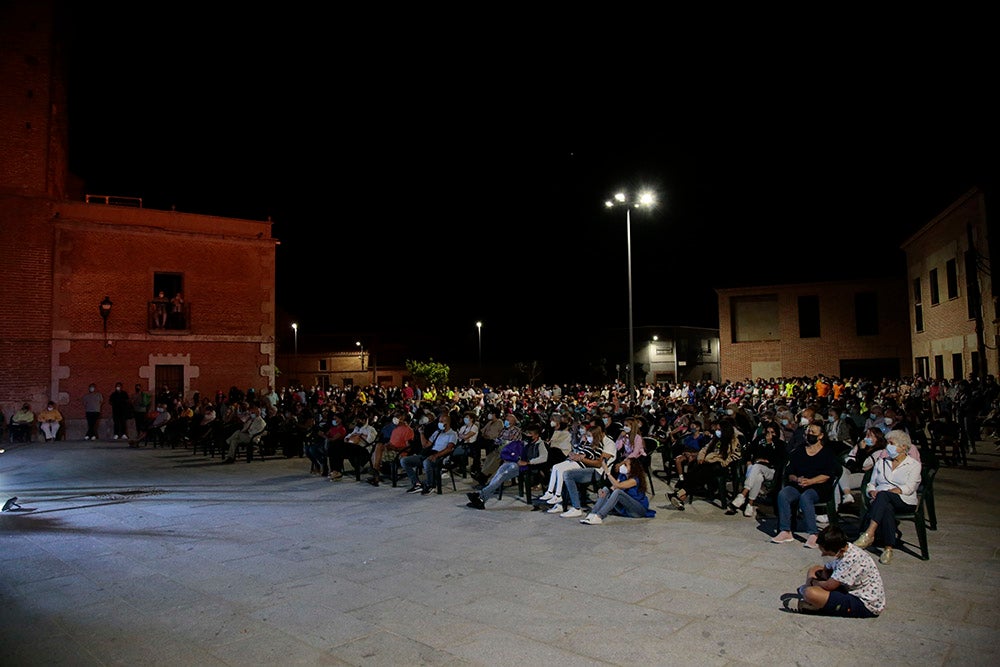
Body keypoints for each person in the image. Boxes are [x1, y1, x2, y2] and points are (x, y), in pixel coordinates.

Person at [853, 429, 922, 565]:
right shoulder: (882, 462)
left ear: (903, 447)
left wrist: (890, 491)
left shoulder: (913, 465)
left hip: (904, 499)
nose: (888, 446)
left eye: (892, 443)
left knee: (884, 496)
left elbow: (909, 488)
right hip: (881, 500)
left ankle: (869, 533)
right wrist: (871, 491)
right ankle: (888, 548)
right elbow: (872, 483)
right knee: (887, 507)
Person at [771, 420, 840, 548]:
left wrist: (811, 481)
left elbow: (827, 474)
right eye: (808, 431)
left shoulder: (827, 453)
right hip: (799, 483)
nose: (809, 434)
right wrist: (797, 479)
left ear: (820, 436)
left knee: (806, 497)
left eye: (813, 432)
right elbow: (790, 471)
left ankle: (813, 534)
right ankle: (785, 530)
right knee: (784, 494)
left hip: (819, 486)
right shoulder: (799, 451)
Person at [793, 524, 884, 617]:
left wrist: (814, 582)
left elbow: (830, 586)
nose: (823, 555)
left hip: (863, 602)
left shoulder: (851, 559)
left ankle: (814, 602)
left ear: (839, 551)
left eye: (826, 553)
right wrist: (822, 577)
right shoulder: (840, 550)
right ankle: (813, 598)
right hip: (846, 587)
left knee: (810, 593)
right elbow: (827, 569)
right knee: (814, 569)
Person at [466, 423, 546, 509]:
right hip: (514, 462)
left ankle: (481, 496)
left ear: (537, 435)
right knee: (499, 473)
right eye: (527, 433)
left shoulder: (540, 444)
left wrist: (529, 462)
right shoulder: (524, 443)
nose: (527, 435)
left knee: (503, 474)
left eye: (530, 434)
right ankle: (481, 498)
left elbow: (544, 457)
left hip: (526, 467)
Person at [668, 417, 742, 510]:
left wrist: (724, 462)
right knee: (694, 468)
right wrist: (700, 457)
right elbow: (705, 449)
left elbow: (735, 455)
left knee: (701, 473)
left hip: (719, 466)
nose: (717, 431)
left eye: (719, 430)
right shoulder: (715, 439)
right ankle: (681, 496)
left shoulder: (733, 441)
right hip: (708, 462)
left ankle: (680, 494)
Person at [554, 423, 617, 518]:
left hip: (598, 471)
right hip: (585, 466)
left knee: (568, 474)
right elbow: (580, 451)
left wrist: (580, 459)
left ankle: (576, 508)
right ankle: (560, 502)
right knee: (561, 469)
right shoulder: (590, 441)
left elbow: (599, 463)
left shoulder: (608, 443)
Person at [727, 422, 785, 518]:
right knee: (758, 477)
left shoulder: (780, 444)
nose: (770, 434)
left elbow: (780, 460)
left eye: (772, 432)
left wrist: (767, 457)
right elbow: (748, 450)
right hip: (757, 468)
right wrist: (749, 460)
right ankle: (749, 504)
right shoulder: (760, 439)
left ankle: (742, 494)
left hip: (772, 471)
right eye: (768, 432)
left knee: (757, 467)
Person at [579, 456, 656, 524]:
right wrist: (602, 491)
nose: (623, 466)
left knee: (618, 492)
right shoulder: (622, 476)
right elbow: (612, 488)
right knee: (606, 489)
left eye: (625, 465)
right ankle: (593, 514)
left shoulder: (635, 480)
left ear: (633, 468)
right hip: (626, 509)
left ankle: (599, 516)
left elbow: (618, 486)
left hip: (637, 510)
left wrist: (607, 472)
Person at [400, 411, 458, 495]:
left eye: (442, 422)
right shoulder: (437, 432)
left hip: (441, 456)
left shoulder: (452, 434)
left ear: (447, 423)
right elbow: (425, 445)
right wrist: (421, 433)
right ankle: (417, 484)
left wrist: (436, 455)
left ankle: (430, 485)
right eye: (439, 421)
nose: (439, 423)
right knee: (404, 461)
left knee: (426, 462)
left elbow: (449, 448)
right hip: (430, 454)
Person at [368, 412, 415, 486]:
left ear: (404, 420)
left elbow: (408, 449)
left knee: (378, 447)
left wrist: (395, 448)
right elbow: (392, 442)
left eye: (399, 418)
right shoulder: (395, 430)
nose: (396, 419)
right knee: (378, 447)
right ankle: (376, 472)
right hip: (391, 450)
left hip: (399, 453)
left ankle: (376, 472)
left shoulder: (408, 431)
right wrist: (388, 445)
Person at [322, 412, 348, 480]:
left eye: (336, 419)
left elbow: (334, 438)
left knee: (335, 452)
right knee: (330, 452)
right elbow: (328, 434)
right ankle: (333, 470)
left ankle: (337, 471)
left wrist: (324, 436)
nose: (334, 420)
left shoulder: (342, 429)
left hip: (339, 447)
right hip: (332, 447)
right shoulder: (333, 428)